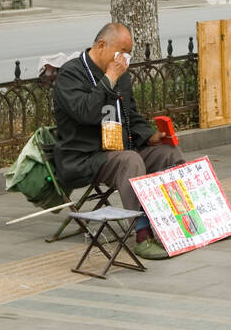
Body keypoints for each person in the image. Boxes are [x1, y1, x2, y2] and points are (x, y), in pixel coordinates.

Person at [53, 23, 185, 260]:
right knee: (130, 161)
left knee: (168, 152)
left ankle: (181, 224)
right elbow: (86, 113)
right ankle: (143, 236)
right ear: (101, 46)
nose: (125, 59)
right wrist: (109, 78)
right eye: (121, 51)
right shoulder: (70, 74)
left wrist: (151, 135)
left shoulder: (119, 74)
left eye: (128, 53)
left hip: (120, 148)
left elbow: (130, 114)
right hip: (85, 156)